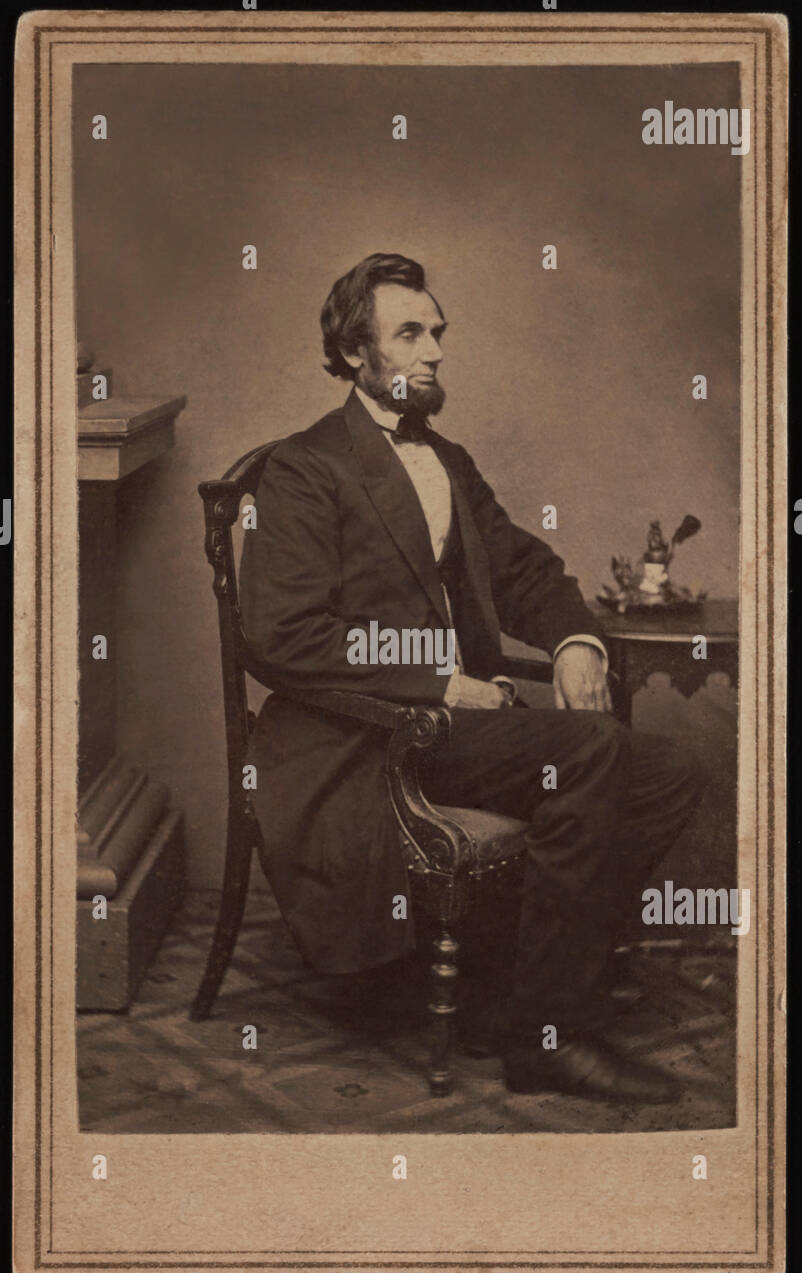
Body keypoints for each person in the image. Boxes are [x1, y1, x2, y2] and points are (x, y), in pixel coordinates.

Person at [239, 252, 705, 1101]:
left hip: (456, 725)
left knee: (669, 772)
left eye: (438, 332)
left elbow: (526, 568)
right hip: (366, 736)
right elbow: (282, 636)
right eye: (409, 333)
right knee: (597, 752)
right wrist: (441, 681)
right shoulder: (304, 470)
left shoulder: (447, 458)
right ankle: (543, 1040)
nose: (435, 351)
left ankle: (517, 989)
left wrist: (575, 645)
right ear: (353, 353)